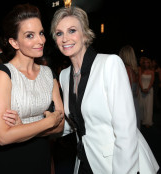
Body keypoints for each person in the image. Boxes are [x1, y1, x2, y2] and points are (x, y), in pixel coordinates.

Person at [50, 6, 160, 174]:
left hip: (119, 163)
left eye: (72, 30)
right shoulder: (64, 76)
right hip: (85, 159)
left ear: (85, 34)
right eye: (59, 33)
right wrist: (38, 127)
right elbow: (77, 122)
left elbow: (126, 131)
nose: (65, 38)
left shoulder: (109, 64)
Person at [0, 3, 64, 174]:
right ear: (14, 42)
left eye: (41, 33)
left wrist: (22, 129)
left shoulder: (48, 73)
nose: (41, 40)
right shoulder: (3, 74)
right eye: (30, 35)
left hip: (41, 157)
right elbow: (3, 137)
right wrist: (48, 122)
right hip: (10, 161)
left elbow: (60, 126)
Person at [119, 45, 142, 129]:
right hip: (134, 101)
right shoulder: (135, 70)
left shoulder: (126, 69)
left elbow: (125, 90)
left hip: (127, 103)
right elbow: (137, 90)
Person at [139, 57, 155, 128]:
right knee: (141, 105)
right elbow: (139, 79)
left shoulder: (152, 72)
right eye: (144, 63)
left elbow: (152, 81)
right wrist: (142, 88)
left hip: (149, 90)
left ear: (149, 64)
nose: (146, 64)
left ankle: (147, 122)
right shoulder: (141, 71)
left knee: (148, 106)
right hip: (141, 89)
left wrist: (147, 89)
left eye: (147, 63)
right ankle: (141, 119)